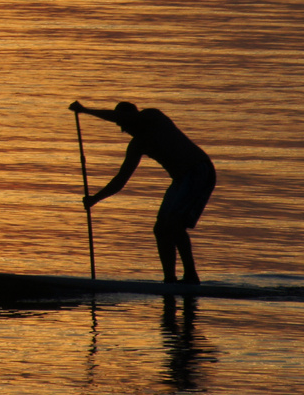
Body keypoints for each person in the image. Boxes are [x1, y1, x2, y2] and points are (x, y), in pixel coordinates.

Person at [72, 101, 217, 283]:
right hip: (181, 179)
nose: (124, 130)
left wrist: (85, 111)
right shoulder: (137, 145)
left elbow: (122, 117)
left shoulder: (153, 117)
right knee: (160, 228)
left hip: (198, 170)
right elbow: (120, 180)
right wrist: (95, 199)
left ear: (132, 117)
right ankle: (170, 280)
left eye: (124, 124)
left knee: (174, 224)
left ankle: (190, 276)